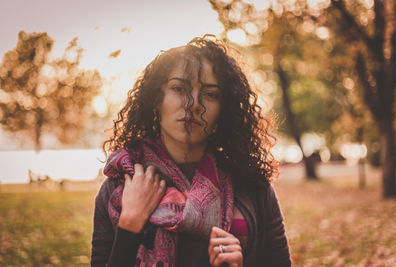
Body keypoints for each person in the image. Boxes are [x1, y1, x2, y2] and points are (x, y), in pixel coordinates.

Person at [91, 36, 291, 267]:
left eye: (210, 94)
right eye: (179, 88)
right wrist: (129, 226)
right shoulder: (119, 188)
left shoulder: (253, 187)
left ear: (223, 109)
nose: (194, 103)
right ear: (157, 100)